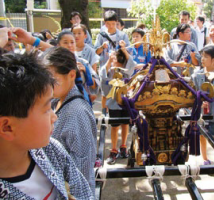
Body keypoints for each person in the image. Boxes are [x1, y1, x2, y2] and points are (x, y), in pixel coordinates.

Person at [0, 52, 94, 199]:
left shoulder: (51, 149)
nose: (54, 116)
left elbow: (82, 189)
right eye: (46, 109)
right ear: (7, 127)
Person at [43, 47, 97, 194]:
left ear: (72, 75)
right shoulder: (55, 101)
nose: (47, 85)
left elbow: (83, 171)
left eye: (53, 80)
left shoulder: (78, 113)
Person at [99, 40, 136, 165]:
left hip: (125, 102)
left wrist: (125, 51)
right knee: (114, 126)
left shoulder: (126, 71)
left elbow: (132, 64)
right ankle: (114, 149)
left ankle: (123, 146)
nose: (115, 62)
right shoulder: (109, 70)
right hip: (114, 102)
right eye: (113, 59)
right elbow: (103, 76)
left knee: (125, 124)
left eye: (117, 60)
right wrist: (109, 61)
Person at [94, 10, 130, 115]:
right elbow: (96, 51)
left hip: (119, 70)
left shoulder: (123, 35)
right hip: (106, 69)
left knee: (119, 92)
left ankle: (120, 111)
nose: (111, 26)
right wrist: (102, 47)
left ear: (117, 22)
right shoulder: (101, 35)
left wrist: (123, 47)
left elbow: (128, 53)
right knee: (105, 93)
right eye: (108, 24)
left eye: (113, 24)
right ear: (105, 23)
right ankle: (104, 112)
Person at [56, 31, 100, 103]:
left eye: (72, 42)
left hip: (80, 102)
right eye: (65, 42)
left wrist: (86, 72)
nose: (69, 45)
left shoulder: (83, 63)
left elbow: (95, 86)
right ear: (58, 45)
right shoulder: (54, 64)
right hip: (60, 103)